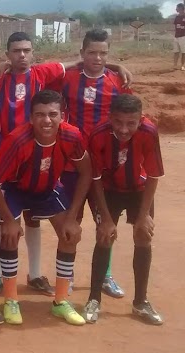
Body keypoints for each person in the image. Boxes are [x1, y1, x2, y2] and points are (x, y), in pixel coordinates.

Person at [0, 32, 131, 296]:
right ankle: (1, 276)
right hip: (19, 160)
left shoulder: (50, 73)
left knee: (91, 220)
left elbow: (88, 65)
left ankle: (79, 275)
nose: (22, 55)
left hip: (76, 160)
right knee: (11, 219)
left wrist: (115, 66)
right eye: (16, 51)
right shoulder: (5, 76)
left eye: (26, 50)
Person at [0, 90, 91, 326]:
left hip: (47, 189)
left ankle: (60, 301)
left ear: (62, 115)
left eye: (53, 114)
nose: (47, 120)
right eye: (40, 115)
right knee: (10, 234)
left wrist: (72, 217)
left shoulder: (72, 136)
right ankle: (11, 299)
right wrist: (8, 219)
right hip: (15, 190)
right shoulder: (17, 140)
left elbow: (86, 172)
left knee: (70, 234)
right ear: (31, 118)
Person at [57, 29, 132, 298]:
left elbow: (128, 118)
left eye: (103, 53)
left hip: (105, 166)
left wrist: (116, 66)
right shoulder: (68, 79)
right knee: (70, 220)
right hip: (72, 164)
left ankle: (105, 275)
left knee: (106, 222)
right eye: (92, 52)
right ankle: (68, 273)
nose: (97, 58)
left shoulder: (116, 81)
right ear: (82, 53)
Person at [83, 94, 164, 325]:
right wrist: (105, 218)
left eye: (131, 123)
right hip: (108, 190)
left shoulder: (149, 132)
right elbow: (95, 178)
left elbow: (153, 174)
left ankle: (140, 302)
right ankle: (94, 299)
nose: (124, 129)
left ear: (141, 119)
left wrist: (144, 214)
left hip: (139, 190)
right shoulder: (98, 134)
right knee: (104, 237)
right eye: (118, 122)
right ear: (110, 118)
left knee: (143, 236)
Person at [174, 3, 185, 71]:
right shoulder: (177, 17)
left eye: (177, 8)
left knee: (184, 52)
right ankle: (175, 65)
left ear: (181, 8)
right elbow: (175, 27)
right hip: (176, 36)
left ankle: (182, 65)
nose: (176, 9)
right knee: (176, 51)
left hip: (183, 37)